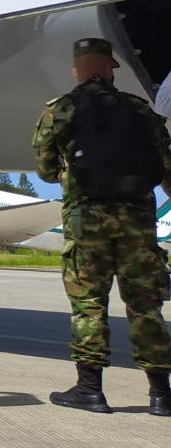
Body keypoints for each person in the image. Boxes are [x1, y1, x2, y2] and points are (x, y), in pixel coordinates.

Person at [33, 37, 171, 416]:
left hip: (86, 223)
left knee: (89, 305)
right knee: (146, 307)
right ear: (110, 68)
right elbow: (167, 171)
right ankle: (161, 395)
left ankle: (90, 390)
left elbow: (45, 170)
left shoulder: (60, 110)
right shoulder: (142, 112)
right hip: (138, 225)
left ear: (78, 70)